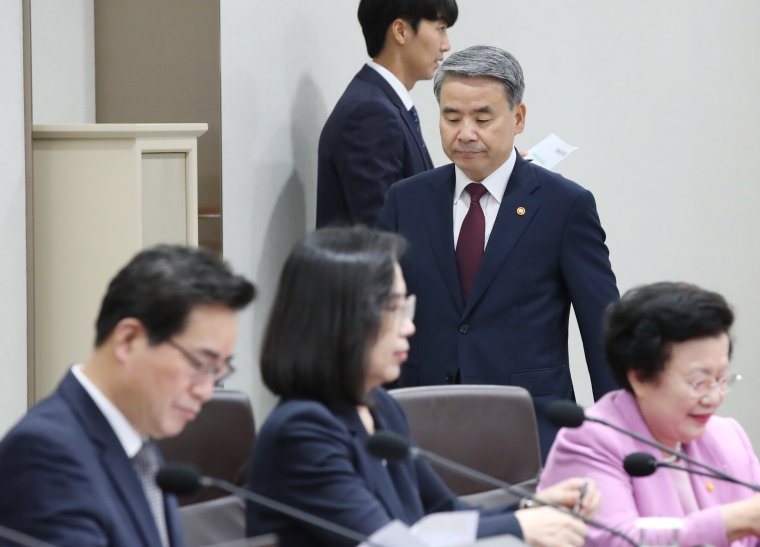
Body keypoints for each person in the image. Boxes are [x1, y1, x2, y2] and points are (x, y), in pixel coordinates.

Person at [246, 226, 597, 547]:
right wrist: (521, 527)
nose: (408, 327)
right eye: (393, 309)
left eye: (406, 307)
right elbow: (391, 542)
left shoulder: (379, 406)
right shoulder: (302, 431)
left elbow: (441, 514)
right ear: (341, 320)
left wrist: (532, 505)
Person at [376, 45, 619, 457]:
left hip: (528, 426)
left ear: (518, 118)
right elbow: (374, 314)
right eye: (451, 117)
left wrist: (616, 432)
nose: (465, 132)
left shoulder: (564, 206)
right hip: (419, 425)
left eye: (482, 117)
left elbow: (603, 328)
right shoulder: (406, 201)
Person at [0, 245, 255, 546]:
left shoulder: (140, 447)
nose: (205, 391)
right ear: (128, 340)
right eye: (200, 364)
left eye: (218, 370)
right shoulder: (45, 453)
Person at [538, 282, 760, 546]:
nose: (714, 397)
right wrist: (731, 521)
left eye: (721, 379)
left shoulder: (725, 435)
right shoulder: (590, 441)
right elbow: (617, 540)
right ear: (640, 377)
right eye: (699, 382)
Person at [316, 0, 457, 228]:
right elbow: (383, 234)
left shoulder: (383, 103)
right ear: (401, 31)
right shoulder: (370, 113)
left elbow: (415, 200)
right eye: (440, 28)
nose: (446, 45)